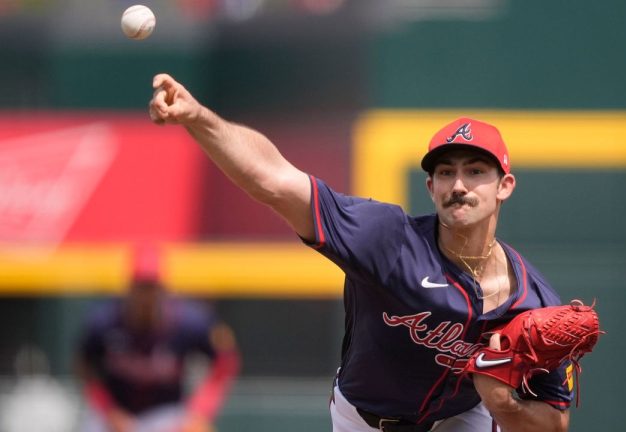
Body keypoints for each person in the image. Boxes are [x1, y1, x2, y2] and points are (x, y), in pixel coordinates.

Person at [148, 73, 572, 432]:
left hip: (462, 418)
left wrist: (506, 406)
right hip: (366, 419)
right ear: (431, 187)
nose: (458, 185)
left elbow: (555, 420)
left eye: (475, 171)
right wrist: (197, 117)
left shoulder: (532, 301)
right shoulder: (387, 239)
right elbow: (274, 180)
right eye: (445, 172)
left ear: (504, 186)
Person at [75, 244, 240, 432]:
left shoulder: (190, 322)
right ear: (130, 287)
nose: (147, 295)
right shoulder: (104, 321)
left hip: (166, 413)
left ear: (163, 288)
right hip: (115, 412)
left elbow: (225, 362)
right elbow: (85, 366)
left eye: (152, 286)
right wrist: (108, 410)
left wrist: (199, 413)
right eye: (141, 286)